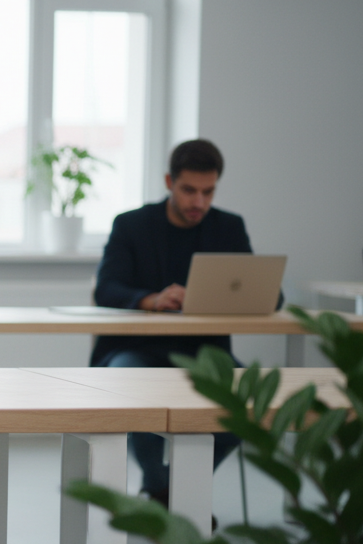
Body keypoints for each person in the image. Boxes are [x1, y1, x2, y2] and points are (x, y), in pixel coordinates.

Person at [91, 138, 280, 506]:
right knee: (129, 391)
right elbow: (107, 289)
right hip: (137, 349)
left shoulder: (228, 227)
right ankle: (166, 489)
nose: (199, 203)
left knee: (248, 404)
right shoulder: (131, 225)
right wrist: (150, 299)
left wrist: (236, 296)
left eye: (208, 192)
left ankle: (173, 491)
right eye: (189, 190)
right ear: (168, 182)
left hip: (204, 352)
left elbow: (266, 292)